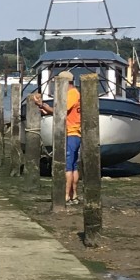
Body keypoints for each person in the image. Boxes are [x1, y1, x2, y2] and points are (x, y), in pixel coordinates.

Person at [63, 76, 84, 205]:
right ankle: (74, 194)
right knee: (74, 165)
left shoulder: (71, 94)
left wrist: (42, 105)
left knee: (68, 166)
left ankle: (66, 196)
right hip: (77, 133)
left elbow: (61, 111)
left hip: (71, 133)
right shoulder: (78, 93)